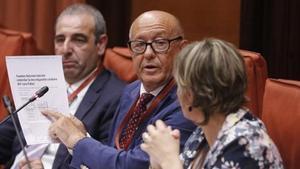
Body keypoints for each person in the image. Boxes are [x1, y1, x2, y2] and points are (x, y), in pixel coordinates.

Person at [29, 10, 197, 169]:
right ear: (131, 50)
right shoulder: (130, 92)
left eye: (160, 43)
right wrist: (83, 136)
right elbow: (114, 153)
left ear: (182, 49)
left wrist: (78, 141)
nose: (148, 54)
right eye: (139, 45)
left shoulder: (188, 103)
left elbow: (136, 165)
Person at [0, 3, 125, 169]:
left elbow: (104, 163)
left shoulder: (118, 96)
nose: (65, 49)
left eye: (78, 40)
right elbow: (5, 137)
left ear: (101, 44)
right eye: (60, 40)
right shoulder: (40, 84)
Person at [141, 38, 284, 169]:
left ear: (189, 96)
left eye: (179, 86)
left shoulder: (246, 144)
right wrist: (157, 162)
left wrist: (169, 161)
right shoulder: (203, 131)